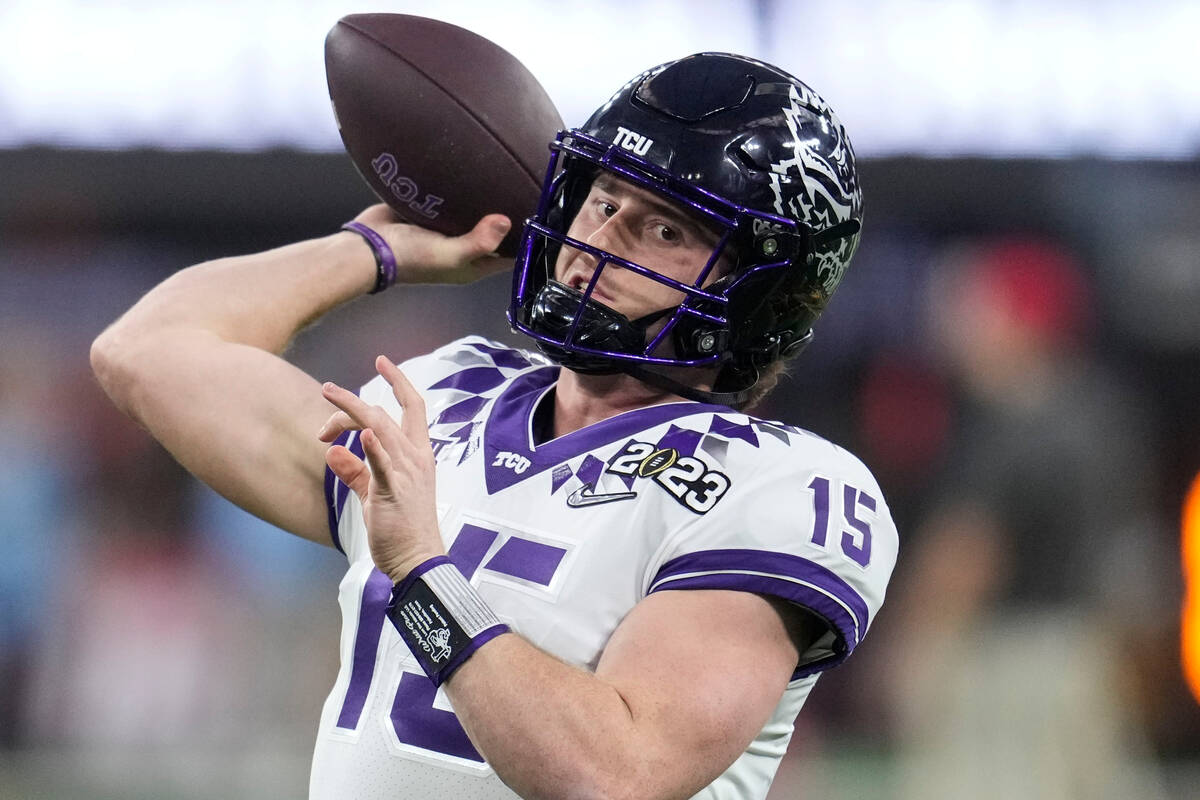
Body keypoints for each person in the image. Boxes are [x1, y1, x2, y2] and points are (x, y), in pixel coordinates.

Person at [91, 52, 897, 800]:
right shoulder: (447, 395)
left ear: (764, 292)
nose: (597, 243)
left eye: (664, 229)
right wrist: (376, 252)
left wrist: (422, 570)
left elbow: (614, 772)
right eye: (601, 199)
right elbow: (147, 351)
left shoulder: (780, 487)